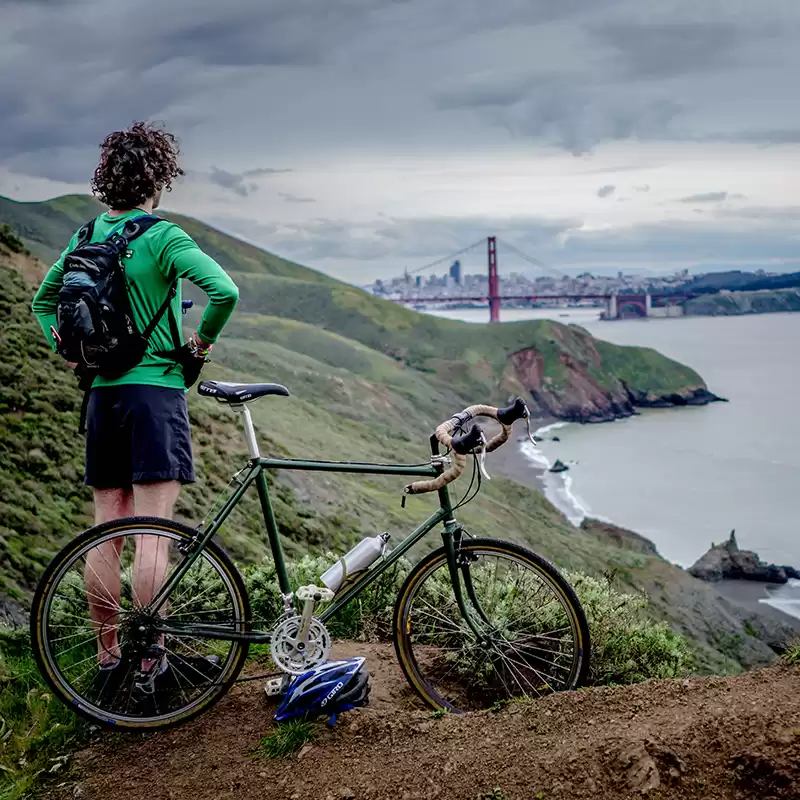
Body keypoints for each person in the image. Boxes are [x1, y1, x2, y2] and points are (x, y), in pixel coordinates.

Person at [31, 122, 239, 679]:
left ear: (107, 179)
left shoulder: (85, 237)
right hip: (155, 393)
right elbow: (225, 292)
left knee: (107, 528)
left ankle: (106, 656)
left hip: (102, 397)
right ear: (159, 180)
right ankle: (150, 659)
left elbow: (42, 301)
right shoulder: (164, 238)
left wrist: (71, 352)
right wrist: (199, 343)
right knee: (154, 529)